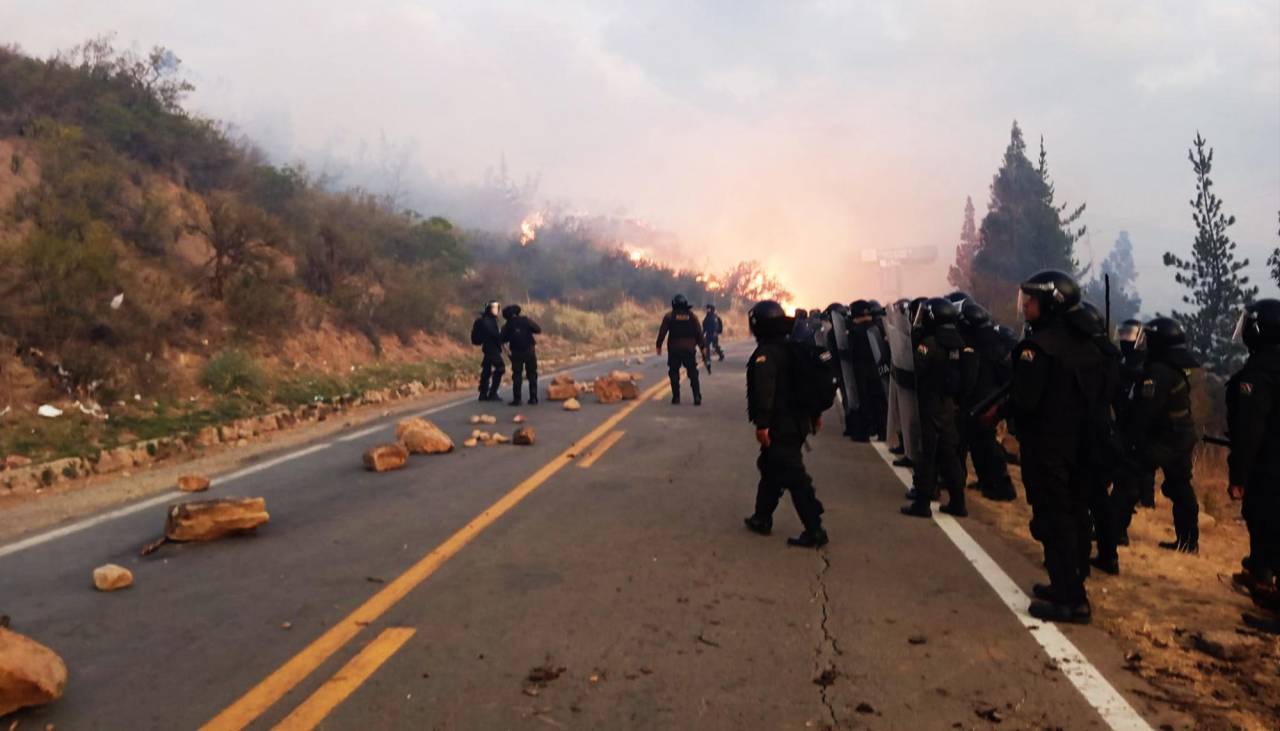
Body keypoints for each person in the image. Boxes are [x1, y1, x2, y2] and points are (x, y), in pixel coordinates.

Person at [992, 270, 1108, 624]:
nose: (1025, 306)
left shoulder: (1038, 347)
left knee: (1053, 519)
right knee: (1073, 515)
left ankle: (1071, 601)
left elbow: (1026, 401)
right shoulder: (1091, 344)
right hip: (1083, 446)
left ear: (1050, 303)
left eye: (1031, 300)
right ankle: (1067, 585)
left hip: (1049, 448)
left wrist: (1001, 412)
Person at [742, 300, 828, 548]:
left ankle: (815, 529)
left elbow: (765, 391)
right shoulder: (794, 348)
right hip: (799, 421)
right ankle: (762, 517)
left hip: (782, 425)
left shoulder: (767, 354)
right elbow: (806, 385)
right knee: (770, 468)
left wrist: (763, 424)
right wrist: (814, 415)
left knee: (794, 476)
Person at [1120, 317, 1201, 553]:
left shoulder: (1158, 372)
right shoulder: (1172, 369)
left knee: (1129, 475)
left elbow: (1146, 410)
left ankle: (1114, 532)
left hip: (1166, 439)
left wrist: (1131, 438)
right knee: (1180, 486)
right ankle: (1188, 542)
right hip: (1181, 437)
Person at [1228, 299, 1280, 624]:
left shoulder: (1260, 374)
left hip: (1271, 468)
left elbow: (1249, 431)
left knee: (1270, 524)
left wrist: (1238, 475)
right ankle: (1261, 578)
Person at [901, 297, 967, 519]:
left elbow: (917, 370)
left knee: (926, 454)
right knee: (950, 455)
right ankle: (958, 502)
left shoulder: (928, 343)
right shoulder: (958, 343)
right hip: (948, 405)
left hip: (930, 403)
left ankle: (922, 503)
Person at [958, 300, 1017, 501]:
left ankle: (1002, 486)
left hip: (986, 399)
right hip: (985, 397)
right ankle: (986, 481)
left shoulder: (985, 342)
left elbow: (975, 374)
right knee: (977, 443)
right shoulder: (987, 339)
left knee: (987, 443)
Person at [845, 300, 890, 442]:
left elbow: (849, 353)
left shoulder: (853, 331)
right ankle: (883, 431)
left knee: (863, 401)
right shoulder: (878, 328)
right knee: (880, 402)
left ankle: (863, 432)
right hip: (880, 370)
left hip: (861, 371)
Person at [885, 298, 920, 465]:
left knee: (912, 419)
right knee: (901, 416)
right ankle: (906, 447)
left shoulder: (920, 335)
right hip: (901, 376)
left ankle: (913, 453)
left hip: (913, 381)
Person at [657, 294, 706, 405]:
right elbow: (699, 333)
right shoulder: (692, 316)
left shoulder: (669, 316)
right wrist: (702, 347)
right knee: (693, 373)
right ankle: (697, 396)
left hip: (674, 349)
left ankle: (676, 397)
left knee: (674, 372)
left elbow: (662, 333)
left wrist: (658, 346)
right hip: (689, 350)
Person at [500, 304, 542, 406]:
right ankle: (533, 398)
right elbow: (538, 329)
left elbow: (502, 340)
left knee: (517, 375)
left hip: (516, 353)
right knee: (532, 374)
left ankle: (517, 399)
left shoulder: (507, 325)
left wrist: (508, 354)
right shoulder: (526, 320)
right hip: (529, 351)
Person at [470, 300, 505, 402]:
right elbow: (494, 334)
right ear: (489, 309)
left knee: (486, 370)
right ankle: (492, 393)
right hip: (491, 349)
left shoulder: (490, 320)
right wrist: (501, 337)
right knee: (500, 368)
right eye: (494, 307)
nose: (496, 309)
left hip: (489, 348)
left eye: (497, 307)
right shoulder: (488, 321)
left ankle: (483, 393)